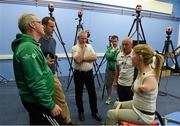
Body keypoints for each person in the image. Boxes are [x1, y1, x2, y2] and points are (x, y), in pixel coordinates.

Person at [11, 14, 62, 125]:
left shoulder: (31, 45)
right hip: (39, 102)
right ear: (32, 25)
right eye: (39, 22)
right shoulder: (29, 48)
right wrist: (50, 105)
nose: (42, 26)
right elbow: (36, 83)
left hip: (37, 100)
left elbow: (34, 70)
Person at [105, 44, 164, 125]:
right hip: (137, 105)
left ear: (139, 58)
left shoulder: (150, 76)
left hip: (143, 115)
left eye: (133, 54)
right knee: (116, 104)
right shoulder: (140, 70)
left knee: (110, 114)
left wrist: (143, 88)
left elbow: (149, 85)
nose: (131, 57)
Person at [39, 16, 72, 124]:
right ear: (43, 26)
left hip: (52, 74)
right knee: (44, 102)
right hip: (41, 76)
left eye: (54, 26)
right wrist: (44, 62)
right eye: (51, 26)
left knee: (61, 99)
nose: (53, 29)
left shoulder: (53, 41)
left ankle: (67, 121)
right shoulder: (38, 40)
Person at [72, 31, 102, 122]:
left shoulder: (90, 46)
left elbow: (94, 57)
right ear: (78, 38)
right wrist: (83, 50)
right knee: (79, 94)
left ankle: (94, 112)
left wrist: (83, 59)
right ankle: (80, 112)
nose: (84, 40)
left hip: (89, 73)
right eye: (82, 38)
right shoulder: (74, 48)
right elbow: (77, 60)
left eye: (86, 38)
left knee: (92, 94)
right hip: (78, 74)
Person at [113, 36, 134, 102]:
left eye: (126, 44)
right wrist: (115, 81)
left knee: (130, 104)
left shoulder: (135, 55)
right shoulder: (119, 55)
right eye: (123, 44)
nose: (124, 46)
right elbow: (117, 68)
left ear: (131, 45)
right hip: (120, 84)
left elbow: (139, 70)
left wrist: (135, 82)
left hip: (130, 85)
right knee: (121, 102)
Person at [104, 35, 122, 105]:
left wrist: (114, 57)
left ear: (118, 41)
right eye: (112, 41)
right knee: (108, 84)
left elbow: (120, 57)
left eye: (115, 41)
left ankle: (118, 97)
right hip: (110, 69)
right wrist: (114, 52)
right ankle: (109, 97)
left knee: (119, 84)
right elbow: (108, 57)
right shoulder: (109, 49)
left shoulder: (121, 48)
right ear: (111, 41)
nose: (114, 43)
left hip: (119, 70)